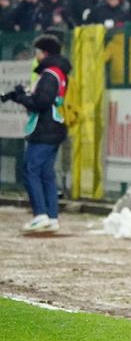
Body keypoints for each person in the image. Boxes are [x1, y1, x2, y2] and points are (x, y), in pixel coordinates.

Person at [2, 35, 71, 234]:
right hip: (53, 128)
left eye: (38, 52)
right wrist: (20, 95)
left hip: (44, 129)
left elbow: (41, 103)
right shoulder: (57, 73)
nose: (36, 56)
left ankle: (40, 214)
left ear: (45, 53)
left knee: (31, 169)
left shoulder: (49, 75)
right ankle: (51, 216)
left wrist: (22, 98)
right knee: (46, 174)